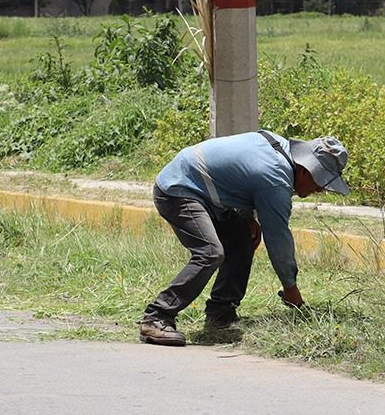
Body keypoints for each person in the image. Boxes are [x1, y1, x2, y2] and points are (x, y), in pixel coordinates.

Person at [140, 130, 350, 347]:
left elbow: (241, 174)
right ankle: (157, 316)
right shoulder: (275, 179)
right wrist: (290, 287)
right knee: (210, 253)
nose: (319, 190)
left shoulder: (278, 147)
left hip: (203, 189)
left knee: (242, 239)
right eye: (320, 184)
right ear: (307, 171)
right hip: (178, 189)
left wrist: (246, 216)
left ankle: (221, 312)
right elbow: (277, 237)